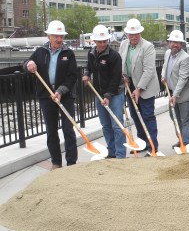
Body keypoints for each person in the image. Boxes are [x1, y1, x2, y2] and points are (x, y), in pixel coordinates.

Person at [24, 20, 78, 170]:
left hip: (65, 95)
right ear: (49, 36)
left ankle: (72, 163)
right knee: (51, 131)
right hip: (46, 96)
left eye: (61, 36)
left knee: (68, 129)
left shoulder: (68, 53)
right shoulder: (40, 51)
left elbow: (72, 76)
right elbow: (26, 63)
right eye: (56, 36)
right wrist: (28, 63)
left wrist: (60, 91)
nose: (59, 39)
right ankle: (56, 163)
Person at [82, 25, 125, 158]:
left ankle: (120, 155)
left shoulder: (114, 56)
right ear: (94, 41)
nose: (102, 44)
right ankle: (111, 152)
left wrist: (108, 95)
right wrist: (87, 74)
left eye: (104, 41)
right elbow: (89, 67)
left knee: (117, 125)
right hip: (99, 94)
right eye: (99, 41)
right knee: (106, 125)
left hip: (115, 94)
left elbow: (116, 77)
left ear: (108, 40)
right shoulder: (91, 53)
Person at [119, 18, 160, 155]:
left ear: (140, 33)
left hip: (145, 86)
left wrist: (139, 89)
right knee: (136, 116)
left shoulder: (147, 47)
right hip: (130, 84)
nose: (134, 36)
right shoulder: (124, 44)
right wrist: (123, 75)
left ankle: (152, 146)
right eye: (131, 34)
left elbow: (149, 70)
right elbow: (122, 63)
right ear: (127, 35)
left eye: (136, 33)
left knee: (147, 115)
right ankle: (142, 143)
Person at [161, 30, 189, 148]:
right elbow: (165, 66)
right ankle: (180, 139)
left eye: (178, 43)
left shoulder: (185, 58)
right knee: (174, 116)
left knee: (185, 119)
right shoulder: (167, 54)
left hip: (184, 94)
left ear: (181, 45)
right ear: (169, 43)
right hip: (172, 92)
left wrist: (175, 95)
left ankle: (185, 143)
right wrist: (163, 76)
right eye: (173, 42)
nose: (175, 45)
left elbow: (182, 79)